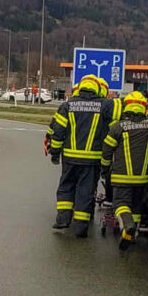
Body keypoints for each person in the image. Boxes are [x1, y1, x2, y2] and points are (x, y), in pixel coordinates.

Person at [47, 75, 113, 236]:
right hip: (92, 159)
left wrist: (54, 153)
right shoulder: (105, 105)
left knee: (66, 187)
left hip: (69, 158)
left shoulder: (68, 105)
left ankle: (62, 219)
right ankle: (81, 228)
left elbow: (58, 132)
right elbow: (112, 129)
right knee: (86, 190)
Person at [100, 91, 148, 251]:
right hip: (142, 177)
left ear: (127, 106)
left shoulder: (118, 127)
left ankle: (128, 226)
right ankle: (134, 234)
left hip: (121, 176)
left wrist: (105, 170)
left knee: (120, 204)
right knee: (137, 205)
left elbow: (106, 151)